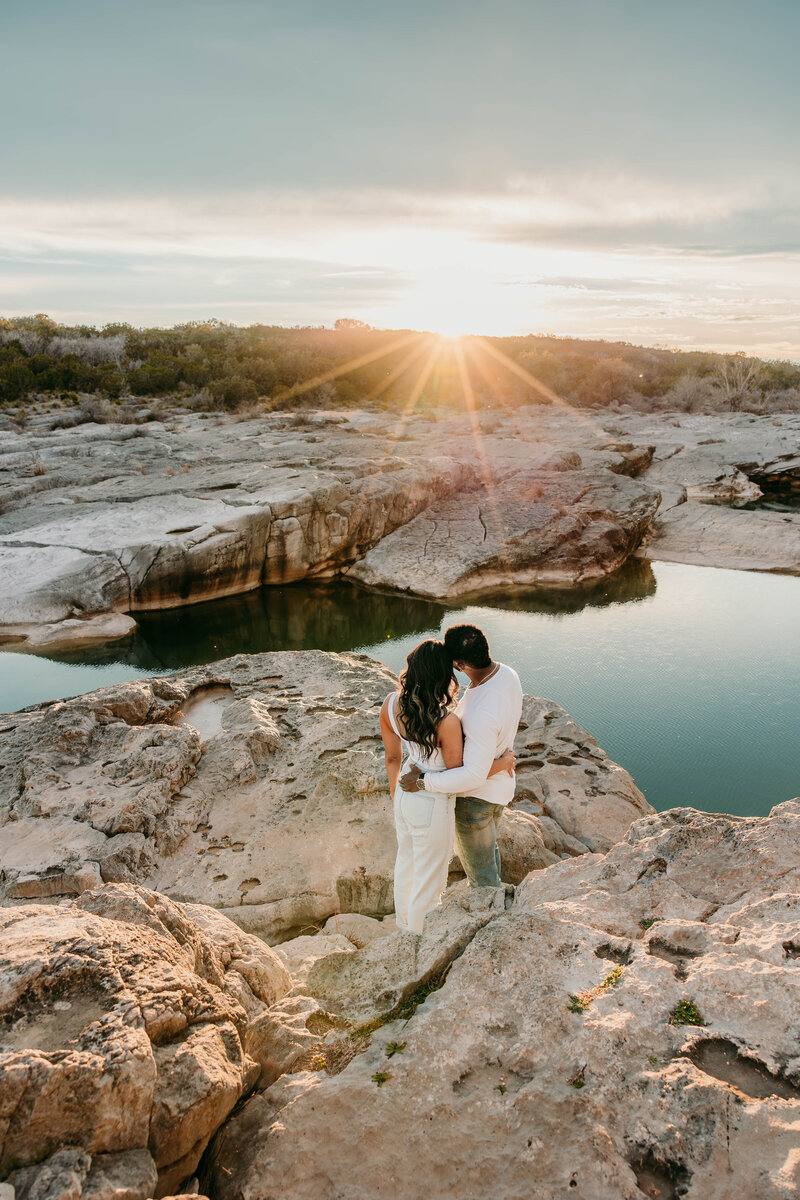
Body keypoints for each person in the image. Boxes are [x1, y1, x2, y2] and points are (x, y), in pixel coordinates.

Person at [380, 639, 513, 934]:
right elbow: (461, 774)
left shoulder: (390, 704)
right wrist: (502, 764)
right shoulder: (446, 722)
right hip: (431, 801)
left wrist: (397, 799)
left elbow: (392, 757)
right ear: (444, 676)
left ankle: (403, 928)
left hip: (403, 793)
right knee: (429, 879)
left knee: (407, 865)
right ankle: (419, 940)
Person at [400, 624, 522, 889]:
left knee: (482, 879)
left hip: (474, 803)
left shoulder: (480, 714)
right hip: (498, 790)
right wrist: (502, 762)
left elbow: (473, 775)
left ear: (459, 664)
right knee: (490, 856)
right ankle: (500, 901)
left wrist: (421, 781)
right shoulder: (507, 674)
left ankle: (495, 919)